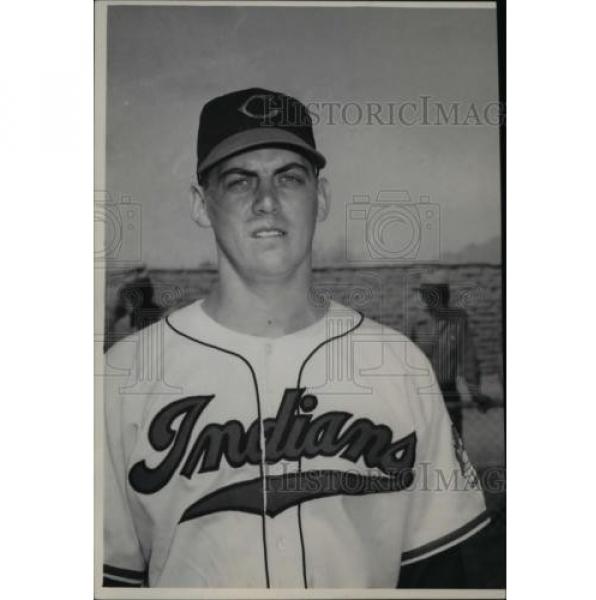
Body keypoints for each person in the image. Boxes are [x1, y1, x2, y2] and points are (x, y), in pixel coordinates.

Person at [102, 88, 490, 589]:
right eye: (239, 181)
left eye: (289, 177)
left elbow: (439, 577)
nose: (267, 201)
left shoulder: (397, 365)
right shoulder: (124, 377)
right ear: (201, 204)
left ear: (321, 197)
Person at [411, 271, 492, 437]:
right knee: (423, 447)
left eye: (436, 294)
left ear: (444, 295)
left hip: (448, 392)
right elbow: (402, 359)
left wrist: (475, 392)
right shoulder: (415, 320)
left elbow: (468, 358)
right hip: (420, 394)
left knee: (452, 445)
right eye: (427, 294)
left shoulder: (458, 320)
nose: (431, 299)